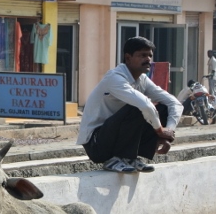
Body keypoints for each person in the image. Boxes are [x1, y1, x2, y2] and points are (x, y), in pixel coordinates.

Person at [76, 36, 182, 173]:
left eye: (150, 55)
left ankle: (130, 157)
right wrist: (160, 130)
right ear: (128, 58)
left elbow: (175, 103)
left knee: (162, 108)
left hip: (117, 138)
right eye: (142, 55)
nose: (148, 59)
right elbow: (145, 105)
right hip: (97, 144)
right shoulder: (115, 78)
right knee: (139, 107)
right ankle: (117, 159)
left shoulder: (142, 80)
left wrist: (168, 131)